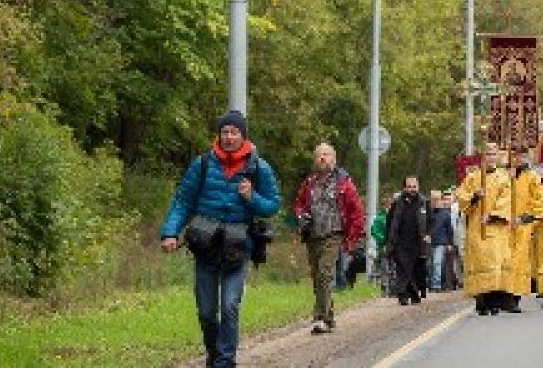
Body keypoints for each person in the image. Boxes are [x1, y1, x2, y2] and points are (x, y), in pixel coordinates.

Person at [159, 110, 281, 367]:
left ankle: (226, 361)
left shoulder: (259, 168)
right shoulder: (202, 164)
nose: (228, 137)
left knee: (229, 307)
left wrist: (252, 198)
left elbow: (272, 206)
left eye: (233, 132)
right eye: (224, 132)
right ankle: (214, 354)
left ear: (243, 135)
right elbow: (183, 202)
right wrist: (170, 232)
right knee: (205, 311)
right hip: (205, 246)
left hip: (238, 247)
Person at [293, 142, 365, 334]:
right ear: (315, 160)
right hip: (313, 236)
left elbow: (357, 212)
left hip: (334, 235)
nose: (323, 158)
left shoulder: (344, 183)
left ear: (334, 159)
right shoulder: (309, 183)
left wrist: (352, 239)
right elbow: (299, 205)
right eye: (319, 155)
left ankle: (321, 318)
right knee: (317, 277)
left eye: (327, 154)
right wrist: (301, 215)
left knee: (325, 274)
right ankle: (330, 316)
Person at [457, 143, 514, 315]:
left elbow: (506, 199)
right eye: (488, 153)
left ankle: (494, 301)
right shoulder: (473, 177)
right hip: (477, 227)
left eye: (493, 153)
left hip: (496, 229)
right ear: (483, 156)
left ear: (498, 156)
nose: (490, 157)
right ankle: (481, 301)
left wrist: (493, 215)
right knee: (479, 263)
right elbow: (462, 197)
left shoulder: (503, 177)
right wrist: (475, 196)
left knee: (495, 264)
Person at [506, 150, 543, 313]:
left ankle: (514, 297)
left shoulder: (533, 177)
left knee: (519, 261)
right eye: (515, 156)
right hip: (503, 225)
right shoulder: (504, 176)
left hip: (522, 226)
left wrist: (524, 219)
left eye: (522, 156)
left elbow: (539, 202)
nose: (518, 159)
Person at [386, 176, 430, 305]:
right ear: (404, 188)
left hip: (418, 241)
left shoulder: (424, 202)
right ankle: (402, 294)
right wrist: (389, 240)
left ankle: (414, 293)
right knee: (403, 268)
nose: (412, 189)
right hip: (400, 241)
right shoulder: (397, 202)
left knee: (415, 269)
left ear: (418, 187)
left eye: (414, 186)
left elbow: (431, 220)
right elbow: (390, 222)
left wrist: (428, 233)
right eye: (409, 187)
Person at [428, 190, 456, 292]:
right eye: (433, 199)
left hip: (441, 242)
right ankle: (431, 284)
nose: (435, 202)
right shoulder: (428, 213)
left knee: (437, 263)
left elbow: (450, 230)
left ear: (440, 200)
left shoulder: (445, 214)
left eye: (437, 199)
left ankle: (436, 285)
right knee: (430, 264)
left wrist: (449, 243)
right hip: (429, 242)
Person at [371, 195, 393, 295]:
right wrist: (383, 239)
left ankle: (393, 288)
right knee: (385, 268)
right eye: (388, 206)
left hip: (394, 246)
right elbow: (374, 231)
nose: (389, 208)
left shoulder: (394, 218)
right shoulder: (379, 218)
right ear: (384, 206)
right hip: (384, 246)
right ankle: (384, 288)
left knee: (394, 268)